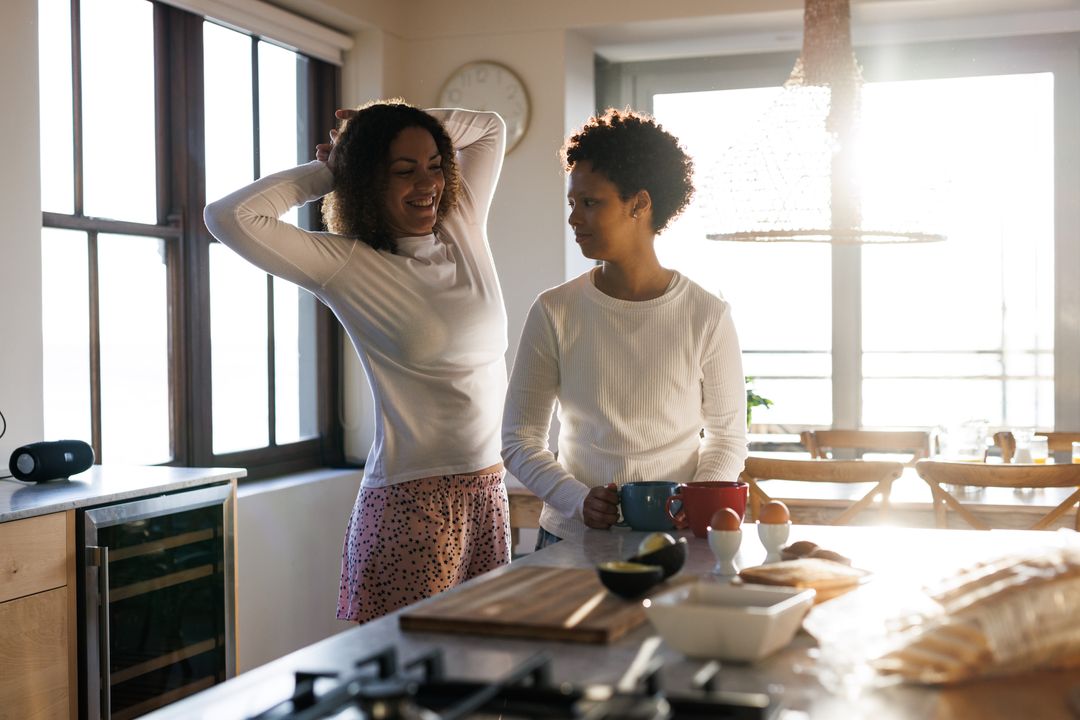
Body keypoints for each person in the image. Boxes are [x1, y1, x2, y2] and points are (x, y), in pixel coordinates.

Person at [204, 101, 511, 622]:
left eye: (436, 165)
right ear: (368, 180)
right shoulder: (345, 264)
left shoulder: (460, 226)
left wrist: (378, 125)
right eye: (402, 170)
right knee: (412, 688)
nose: (427, 183)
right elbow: (228, 217)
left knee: (489, 682)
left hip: (490, 490)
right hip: (411, 507)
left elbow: (489, 127)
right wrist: (337, 165)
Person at [501, 108, 748, 547]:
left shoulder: (706, 315)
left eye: (591, 202)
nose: (574, 218)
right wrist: (578, 500)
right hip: (569, 540)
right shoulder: (554, 310)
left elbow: (728, 440)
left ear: (640, 203)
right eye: (572, 203)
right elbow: (519, 440)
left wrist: (691, 505)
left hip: (676, 541)